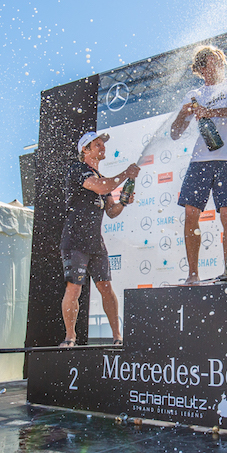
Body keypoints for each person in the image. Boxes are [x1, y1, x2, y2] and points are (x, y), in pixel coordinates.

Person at [169, 45, 227, 284]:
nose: (217, 65)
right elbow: (175, 133)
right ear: (201, 69)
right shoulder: (193, 94)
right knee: (190, 213)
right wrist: (183, 114)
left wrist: (210, 111)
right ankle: (193, 275)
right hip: (200, 160)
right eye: (210, 61)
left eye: (219, 60)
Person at [60, 132, 139, 347]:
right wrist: (125, 173)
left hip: (95, 242)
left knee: (106, 287)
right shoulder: (78, 170)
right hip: (75, 239)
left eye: (103, 144)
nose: (102, 147)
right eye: (97, 144)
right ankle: (70, 337)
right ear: (85, 150)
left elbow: (112, 211)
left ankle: (117, 337)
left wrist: (124, 201)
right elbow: (101, 186)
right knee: (74, 288)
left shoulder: (101, 177)